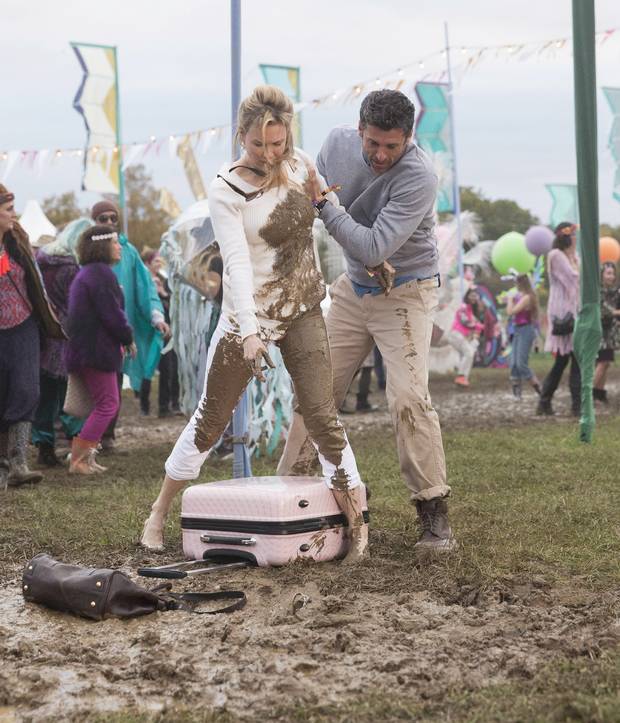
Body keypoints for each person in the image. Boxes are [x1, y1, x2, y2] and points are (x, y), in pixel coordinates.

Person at [140, 85, 367, 563]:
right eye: (257, 144)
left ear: (288, 138)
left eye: (277, 143)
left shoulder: (302, 163)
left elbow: (330, 213)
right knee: (210, 421)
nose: (268, 153)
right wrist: (246, 331)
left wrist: (370, 259)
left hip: (303, 306)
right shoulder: (226, 188)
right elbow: (237, 264)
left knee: (323, 416)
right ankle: (159, 511)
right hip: (250, 314)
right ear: (241, 136)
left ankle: (357, 524)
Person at [278, 89, 456, 553]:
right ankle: (290, 493)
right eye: (373, 143)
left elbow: (375, 246)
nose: (380, 155)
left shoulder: (419, 176)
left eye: (391, 147)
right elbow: (304, 198)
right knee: (315, 391)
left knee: (407, 398)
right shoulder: (335, 145)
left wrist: (325, 205)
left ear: (408, 140)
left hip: (406, 291)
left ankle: (433, 511)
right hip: (353, 290)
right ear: (359, 129)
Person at [0, 184, 64, 488]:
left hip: (24, 325)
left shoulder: (18, 239)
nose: (15, 215)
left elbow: (34, 281)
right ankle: (3, 465)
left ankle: (19, 462)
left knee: (27, 390)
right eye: (9, 209)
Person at [90, 202, 169, 448]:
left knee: (113, 383)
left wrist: (156, 315)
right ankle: (82, 438)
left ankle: (107, 435)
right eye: (104, 218)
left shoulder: (129, 252)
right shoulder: (86, 252)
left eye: (114, 218)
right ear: (95, 221)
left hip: (119, 332)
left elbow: (145, 287)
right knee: (91, 388)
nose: (110, 223)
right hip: (91, 331)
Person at [65, 225, 135, 474]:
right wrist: (127, 337)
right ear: (103, 245)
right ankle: (79, 461)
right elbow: (112, 315)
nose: (119, 247)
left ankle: (86, 457)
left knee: (104, 404)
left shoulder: (89, 273)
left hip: (87, 350)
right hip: (95, 351)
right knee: (108, 404)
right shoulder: (99, 275)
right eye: (115, 242)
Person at [32, 219, 91, 465]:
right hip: (66, 336)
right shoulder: (72, 268)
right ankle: (74, 444)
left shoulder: (40, 261)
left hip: (42, 332)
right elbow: (76, 306)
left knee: (45, 394)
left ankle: (44, 444)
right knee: (69, 392)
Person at [537, 223, 581, 416]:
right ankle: (571, 405)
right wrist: (573, 256)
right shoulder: (555, 255)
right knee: (569, 358)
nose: (576, 239)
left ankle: (548, 402)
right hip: (562, 312)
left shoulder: (572, 256)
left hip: (575, 310)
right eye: (573, 235)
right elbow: (573, 278)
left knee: (568, 359)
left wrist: (573, 255)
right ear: (566, 237)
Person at [140, 248, 180, 417]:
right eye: (156, 261)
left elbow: (172, 304)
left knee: (168, 367)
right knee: (147, 369)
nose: (159, 264)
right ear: (148, 263)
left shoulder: (164, 281)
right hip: (149, 331)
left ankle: (166, 406)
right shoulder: (143, 281)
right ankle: (144, 406)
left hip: (166, 331)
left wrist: (163, 293)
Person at [506, 274, 542, 399]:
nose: (515, 285)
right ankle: (517, 393)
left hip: (526, 330)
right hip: (517, 329)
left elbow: (511, 312)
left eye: (517, 283)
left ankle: (540, 389)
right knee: (513, 363)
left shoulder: (527, 297)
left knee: (521, 364)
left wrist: (510, 300)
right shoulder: (521, 296)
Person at [443, 287, 484, 389]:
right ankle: (461, 376)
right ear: (467, 296)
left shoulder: (470, 310)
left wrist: (478, 327)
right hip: (456, 335)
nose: (474, 298)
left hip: (461, 336)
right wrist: (477, 326)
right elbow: (465, 322)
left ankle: (461, 375)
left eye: (476, 296)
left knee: (470, 350)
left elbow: (476, 324)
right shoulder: (463, 307)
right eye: (472, 295)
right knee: (469, 352)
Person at [593, 262, 620, 403]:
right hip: (599, 331)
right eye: (608, 273)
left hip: (609, 333)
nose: (611, 276)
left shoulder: (615, 291)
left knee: (605, 363)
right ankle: (588, 393)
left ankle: (599, 393)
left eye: (613, 273)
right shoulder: (598, 292)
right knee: (602, 362)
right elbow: (607, 311)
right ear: (601, 275)